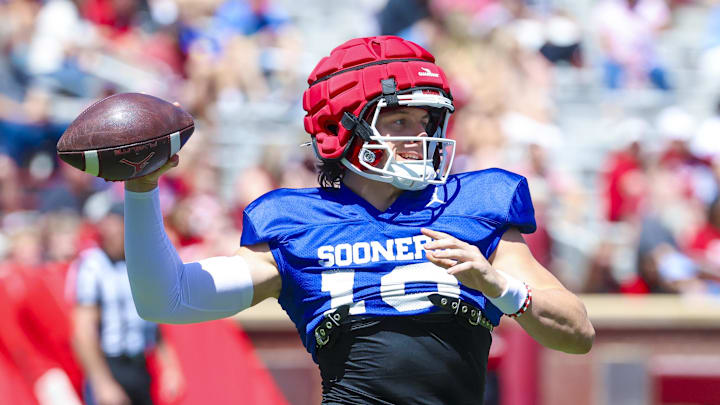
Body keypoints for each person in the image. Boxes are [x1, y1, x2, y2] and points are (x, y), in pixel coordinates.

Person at [123, 36, 594, 404]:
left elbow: (577, 333)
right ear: (340, 128)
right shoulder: (297, 223)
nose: (421, 137)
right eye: (400, 122)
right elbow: (170, 297)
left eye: (427, 121)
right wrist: (142, 190)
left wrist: (500, 286)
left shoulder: (472, 205)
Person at [72, 202, 183, 405]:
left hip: (140, 365)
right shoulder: (93, 265)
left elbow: (154, 322)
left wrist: (170, 366)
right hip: (110, 363)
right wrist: (101, 381)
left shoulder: (141, 265)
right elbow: (83, 330)